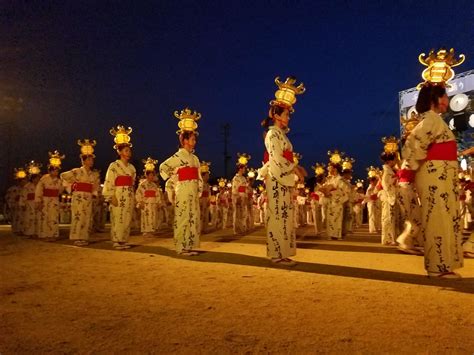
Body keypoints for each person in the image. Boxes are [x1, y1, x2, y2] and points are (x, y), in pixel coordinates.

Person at [403, 83, 463, 278]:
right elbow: (414, 145)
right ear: (433, 99)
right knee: (437, 219)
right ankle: (438, 267)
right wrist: (410, 171)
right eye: (444, 96)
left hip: (440, 175)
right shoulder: (430, 120)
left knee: (443, 218)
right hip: (435, 176)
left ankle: (443, 264)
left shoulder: (433, 120)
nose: (447, 101)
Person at [259, 76, 306, 266]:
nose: (288, 118)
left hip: (284, 178)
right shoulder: (272, 134)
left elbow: (285, 157)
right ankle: (276, 254)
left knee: (285, 217)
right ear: (277, 115)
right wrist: (294, 168)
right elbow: (277, 158)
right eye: (286, 114)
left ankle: (283, 253)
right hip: (277, 179)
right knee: (278, 216)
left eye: (288, 115)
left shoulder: (282, 136)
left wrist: (296, 168)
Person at [159, 108, 202, 256]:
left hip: (192, 190)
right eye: (192, 139)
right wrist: (175, 176)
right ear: (184, 140)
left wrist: (199, 189)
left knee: (192, 217)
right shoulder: (178, 156)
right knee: (183, 217)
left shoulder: (195, 159)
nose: (194, 141)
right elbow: (163, 167)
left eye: (194, 139)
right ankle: (180, 246)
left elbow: (199, 177)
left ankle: (189, 245)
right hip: (182, 189)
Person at [61, 140, 100, 246]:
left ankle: (84, 237)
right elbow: (63, 176)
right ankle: (77, 237)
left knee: (87, 216)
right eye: (90, 159)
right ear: (84, 161)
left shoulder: (93, 174)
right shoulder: (77, 171)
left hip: (87, 197)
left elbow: (95, 186)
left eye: (92, 159)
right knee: (78, 216)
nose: (92, 161)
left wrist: (95, 194)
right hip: (78, 196)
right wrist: (72, 187)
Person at [103, 126, 136, 250]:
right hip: (118, 194)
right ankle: (117, 240)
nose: (129, 153)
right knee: (118, 217)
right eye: (126, 151)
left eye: (129, 151)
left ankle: (124, 239)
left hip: (128, 194)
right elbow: (109, 181)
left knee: (126, 218)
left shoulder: (132, 168)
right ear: (120, 152)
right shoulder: (114, 166)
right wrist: (110, 196)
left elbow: (132, 183)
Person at [36, 151, 65, 241]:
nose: (56, 172)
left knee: (54, 217)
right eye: (54, 170)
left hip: (54, 200)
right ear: (50, 170)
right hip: (45, 200)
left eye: (57, 170)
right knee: (45, 217)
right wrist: (38, 200)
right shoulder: (44, 178)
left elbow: (61, 190)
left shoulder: (59, 180)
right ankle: (45, 235)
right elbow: (39, 189)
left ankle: (53, 234)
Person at [321, 156, 348, 240]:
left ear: (335, 169)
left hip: (337, 200)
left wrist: (332, 190)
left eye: (331, 168)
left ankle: (337, 235)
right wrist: (324, 191)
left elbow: (344, 190)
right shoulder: (329, 179)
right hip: (330, 200)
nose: (329, 170)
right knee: (330, 218)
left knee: (337, 218)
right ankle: (330, 234)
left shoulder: (340, 179)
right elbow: (325, 187)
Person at [135, 158, 161, 237]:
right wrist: (140, 201)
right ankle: (146, 231)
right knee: (146, 217)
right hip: (145, 203)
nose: (151, 177)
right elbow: (138, 193)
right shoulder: (142, 184)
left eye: (153, 175)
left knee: (153, 216)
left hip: (153, 202)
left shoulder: (154, 185)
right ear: (146, 175)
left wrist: (158, 202)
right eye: (150, 175)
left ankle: (151, 230)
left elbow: (157, 194)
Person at [379, 151, 398, 246]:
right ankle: (388, 239)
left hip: (389, 196)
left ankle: (388, 238)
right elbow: (385, 184)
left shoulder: (389, 170)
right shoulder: (387, 171)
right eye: (395, 159)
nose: (396, 161)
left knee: (389, 218)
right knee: (388, 218)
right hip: (389, 197)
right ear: (391, 160)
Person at [232, 157, 249, 235]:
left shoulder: (244, 179)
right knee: (237, 213)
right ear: (240, 169)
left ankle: (242, 228)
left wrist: (246, 197)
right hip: (238, 197)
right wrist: (237, 197)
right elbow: (235, 189)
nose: (245, 170)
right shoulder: (236, 178)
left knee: (243, 213)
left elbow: (246, 189)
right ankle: (236, 229)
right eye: (244, 168)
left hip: (243, 197)